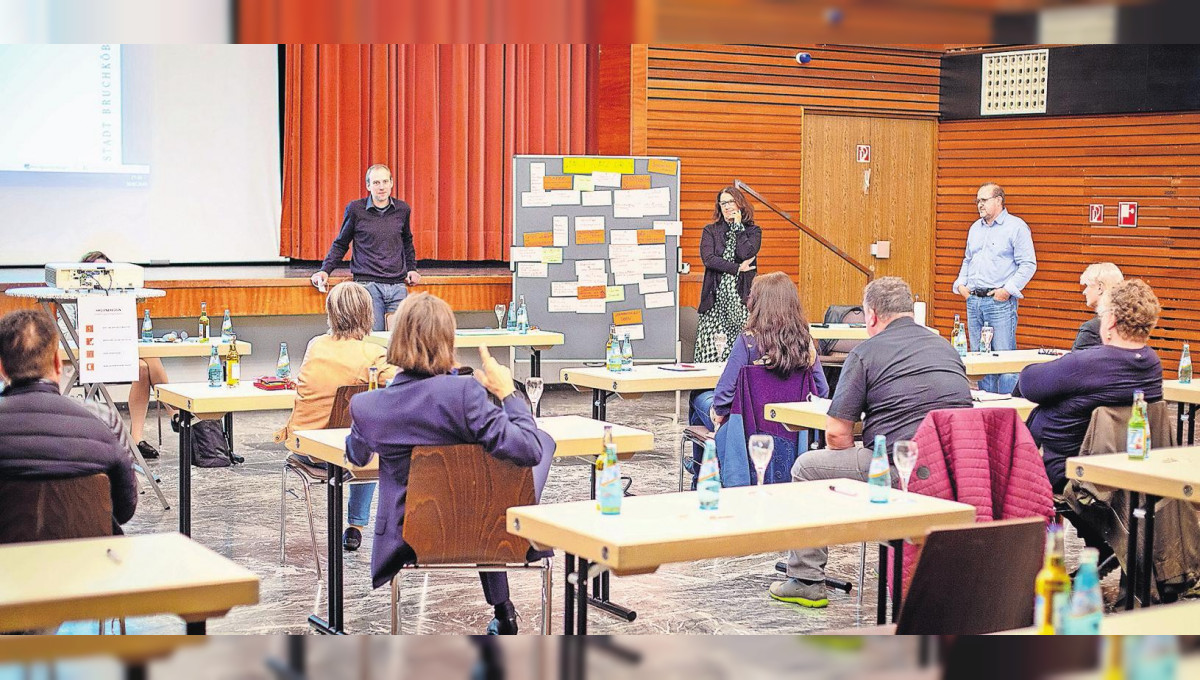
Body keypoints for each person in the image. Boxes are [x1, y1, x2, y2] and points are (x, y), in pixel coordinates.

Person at [346, 292, 555, 634]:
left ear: (396, 340)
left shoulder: (368, 406)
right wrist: (508, 393)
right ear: (448, 340)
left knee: (480, 482)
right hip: (485, 527)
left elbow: (356, 458)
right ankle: (518, 543)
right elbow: (528, 450)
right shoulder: (465, 395)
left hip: (408, 540)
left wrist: (363, 425)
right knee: (535, 448)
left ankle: (503, 604)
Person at [769, 277, 972, 608]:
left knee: (806, 468)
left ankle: (806, 578)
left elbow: (836, 432)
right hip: (955, 468)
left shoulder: (865, 353)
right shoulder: (946, 347)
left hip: (899, 469)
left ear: (871, 315)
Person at [275, 281, 398, 551]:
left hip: (306, 448)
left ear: (331, 312)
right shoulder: (373, 354)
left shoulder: (316, 345)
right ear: (368, 314)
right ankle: (356, 525)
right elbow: (402, 386)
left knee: (363, 439)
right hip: (348, 456)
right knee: (371, 440)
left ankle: (355, 524)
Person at [1014, 278, 1162, 494]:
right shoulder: (1152, 364)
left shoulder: (1086, 363)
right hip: (1121, 467)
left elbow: (1028, 383)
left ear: (1110, 320)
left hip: (1065, 470)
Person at [0, 309, 138, 532]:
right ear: (57, 363)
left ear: (2, 368)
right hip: (89, 561)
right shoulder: (105, 420)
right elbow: (124, 509)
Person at [690, 272, 828, 470]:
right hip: (794, 436)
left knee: (697, 397)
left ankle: (699, 473)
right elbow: (821, 392)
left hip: (746, 428)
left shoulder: (748, 341)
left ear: (757, 304)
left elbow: (723, 396)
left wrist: (719, 420)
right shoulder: (805, 344)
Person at [78, 251, 180, 461]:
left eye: (106, 271)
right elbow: (70, 337)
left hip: (119, 352)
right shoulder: (71, 298)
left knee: (143, 367)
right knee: (150, 356)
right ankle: (175, 412)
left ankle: (136, 440)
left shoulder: (118, 298)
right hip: (92, 355)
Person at [311, 164, 421, 332]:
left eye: (385, 181)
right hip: (368, 286)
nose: (381, 187)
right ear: (368, 186)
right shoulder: (356, 210)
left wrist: (412, 269)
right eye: (376, 183)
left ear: (391, 183)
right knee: (372, 340)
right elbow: (341, 243)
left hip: (398, 285)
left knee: (400, 342)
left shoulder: (402, 209)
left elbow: (407, 241)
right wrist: (325, 270)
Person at [951, 182, 1036, 394]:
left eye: (984, 200)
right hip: (974, 300)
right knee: (980, 358)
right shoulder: (974, 228)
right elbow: (968, 259)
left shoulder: (1016, 227)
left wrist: (1007, 290)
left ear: (998, 201)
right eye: (977, 201)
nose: (979, 205)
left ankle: (1008, 406)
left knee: (1004, 358)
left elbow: (1028, 264)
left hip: (999, 302)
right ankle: (986, 404)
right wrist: (961, 285)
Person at [694, 186, 760, 363]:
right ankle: (706, 390)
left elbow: (747, 253)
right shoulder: (710, 231)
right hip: (714, 302)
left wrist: (738, 227)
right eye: (723, 203)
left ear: (740, 204)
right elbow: (708, 259)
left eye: (731, 201)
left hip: (741, 302)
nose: (727, 206)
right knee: (711, 352)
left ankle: (739, 389)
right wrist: (737, 268)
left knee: (741, 349)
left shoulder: (753, 231)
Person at [1072, 262, 1124, 351]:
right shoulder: (1129, 324)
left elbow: (1075, 363)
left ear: (1100, 287)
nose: (1084, 292)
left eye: (1087, 286)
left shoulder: (1091, 329)